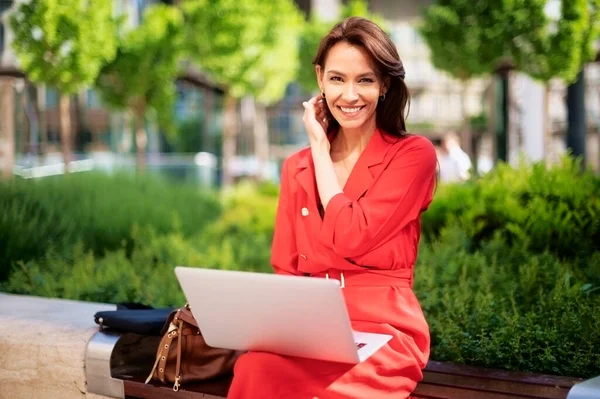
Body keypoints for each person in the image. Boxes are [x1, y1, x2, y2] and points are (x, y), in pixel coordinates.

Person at [227, 16, 437, 399]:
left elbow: (351, 236)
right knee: (255, 367)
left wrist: (320, 150)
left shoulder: (413, 155)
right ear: (320, 79)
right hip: (312, 328)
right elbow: (286, 267)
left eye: (365, 80)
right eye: (338, 79)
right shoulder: (296, 167)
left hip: (383, 331)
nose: (350, 95)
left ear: (384, 85)